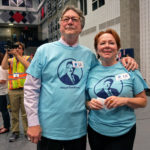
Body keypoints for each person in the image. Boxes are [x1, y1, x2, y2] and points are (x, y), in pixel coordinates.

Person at [24, 5, 138, 150]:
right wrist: (33, 122)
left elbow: (106, 69)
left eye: (74, 19)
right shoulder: (44, 51)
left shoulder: (88, 56)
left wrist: (124, 61)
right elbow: (30, 89)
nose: (70, 22)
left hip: (77, 131)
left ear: (81, 27)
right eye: (66, 19)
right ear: (60, 25)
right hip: (48, 130)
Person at [86, 28, 148, 150]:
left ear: (118, 47)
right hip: (95, 130)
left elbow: (143, 101)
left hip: (123, 131)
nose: (107, 46)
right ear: (97, 49)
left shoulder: (130, 68)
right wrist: (89, 104)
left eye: (111, 43)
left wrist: (124, 101)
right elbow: (85, 101)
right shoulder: (90, 72)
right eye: (102, 43)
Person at [1, 42, 31, 142]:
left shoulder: (27, 58)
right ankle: (15, 132)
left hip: (25, 90)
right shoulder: (10, 60)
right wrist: (7, 53)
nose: (17, 49)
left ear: (22, 50)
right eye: (15, 48)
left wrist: (17, 55)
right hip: (13, 91)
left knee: (25, 113)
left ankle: (27, 131)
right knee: (14, 113)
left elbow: (29, 66)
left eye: (19, 48)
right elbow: (4, 66)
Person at [0, 52, 10, 134]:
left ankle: (6, 126)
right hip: (2, 93)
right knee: (3, 110)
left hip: (2, 93)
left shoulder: (1, 68)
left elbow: (3, 81)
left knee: (4, 111)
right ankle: (5, 125)